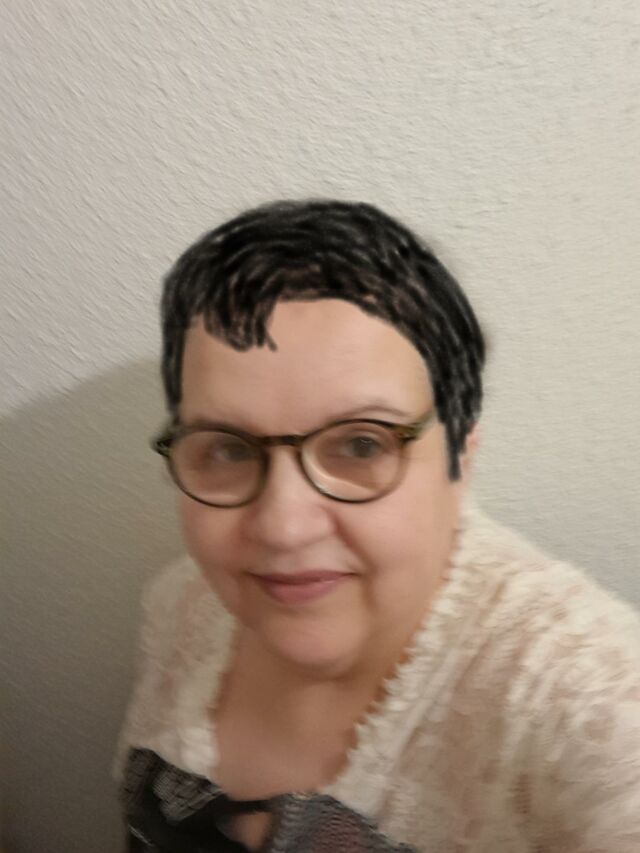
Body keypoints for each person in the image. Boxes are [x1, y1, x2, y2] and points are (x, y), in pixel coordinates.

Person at [116, 200, 640, 852]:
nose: (282, 528)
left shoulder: (584, 694)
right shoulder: (182, 604)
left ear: (462, 457)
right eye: (227, 448)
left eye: (361, 444)